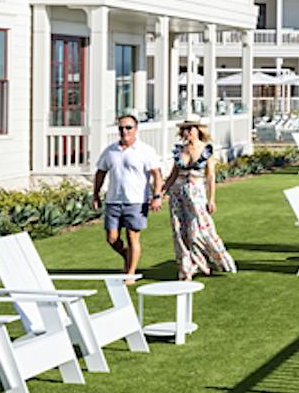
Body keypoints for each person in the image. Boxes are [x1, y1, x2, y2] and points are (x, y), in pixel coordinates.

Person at [93, 114, 164, 283]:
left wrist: (157, 196)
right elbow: (100, 172)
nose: (124, 131)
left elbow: (157, 174)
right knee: (112, 238)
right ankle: (127, 255)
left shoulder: (145, 150)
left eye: (128, 127)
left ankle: (130, 274)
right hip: (113, 200)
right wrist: (95, 194)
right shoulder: (110, 151)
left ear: (136, 129)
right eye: (121, 128)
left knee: (133, 237)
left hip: (136, 201)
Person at [166, 117, 237, 280]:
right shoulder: (180, 150)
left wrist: (211, 199)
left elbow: (210, 176)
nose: (187, 132)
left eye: (190, 128)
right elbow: (173, 174)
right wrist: (160, 193)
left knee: (199, 232)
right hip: (177, 194)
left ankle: (219, 260)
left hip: (196, 194)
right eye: (185, 129)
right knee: (179, 231)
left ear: (198, 130)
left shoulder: (206, 150)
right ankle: (187, 268)